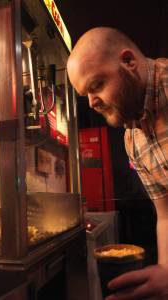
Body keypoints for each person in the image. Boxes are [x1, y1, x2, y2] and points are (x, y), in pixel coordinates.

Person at [67, 27, 168, 300]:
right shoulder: (132, 139)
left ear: (129, 61)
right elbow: (166, 213)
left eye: (96, 85)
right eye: (84, 94)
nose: (91, 103)